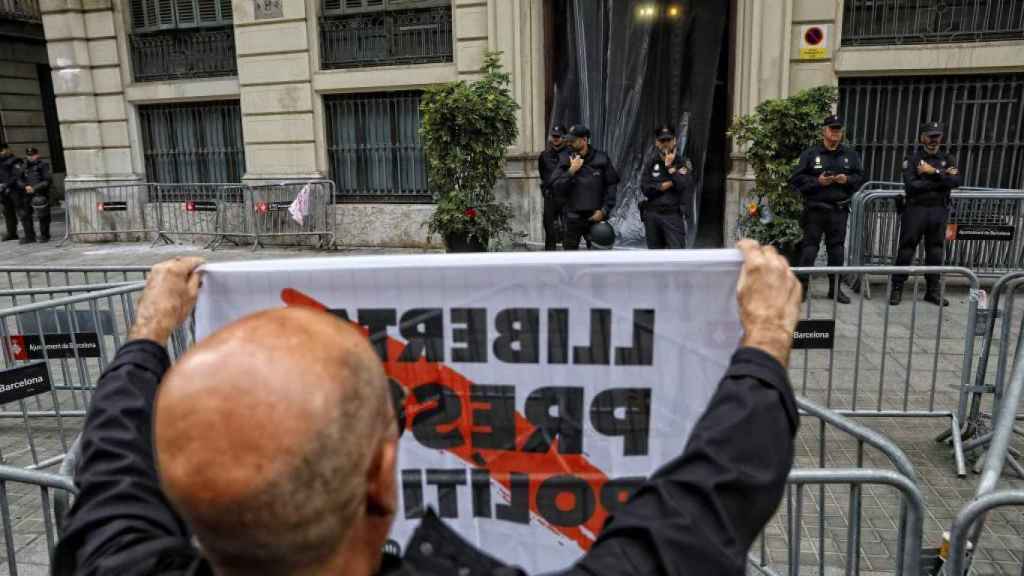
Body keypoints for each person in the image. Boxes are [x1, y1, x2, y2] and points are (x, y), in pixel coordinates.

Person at [55, 240, 801, 576]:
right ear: (385, 477)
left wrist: (150, 331)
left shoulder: (113, 560)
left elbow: (114, 467)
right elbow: (701, 510)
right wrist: (764, 338)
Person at [789, 115, 864, 304]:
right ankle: (802, 289)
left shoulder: (850, 155)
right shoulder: (811, 154)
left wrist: (846, 180)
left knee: (837, 251)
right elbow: (796, 180)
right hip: (815, 210)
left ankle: (835, 289)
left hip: (838, 211)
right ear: (824, 131)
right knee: (809, 250)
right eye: (832, 129)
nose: (835, 133)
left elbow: (860, 177)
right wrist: (817, 182)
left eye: (838, 129)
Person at [890, 122, 961, 307]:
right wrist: (941, 179)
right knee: (906, 249)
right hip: (916, 210)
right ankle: (897, 288)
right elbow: (911, 185)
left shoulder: (948, 158)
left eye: (937, 136)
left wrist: (933, 172)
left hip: (938, 210)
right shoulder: (912, 159)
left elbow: (956, 181)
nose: (933, 140)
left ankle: (932, 291)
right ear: (922, 137)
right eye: (930, 136)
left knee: (936, 251)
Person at [550, 124, 620, 251]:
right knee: (569, 258)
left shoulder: (601, 158)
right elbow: (556, 187)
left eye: (573, 140)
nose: (569, 143)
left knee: (598, 258)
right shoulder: (566, 159)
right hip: (572, 218)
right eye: (569, 140)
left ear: (584, 140)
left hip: (595, 217)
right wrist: (571, 171)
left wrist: (604, 210)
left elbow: (612, 185)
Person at [640, 125, 692, 249]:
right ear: (657, 143)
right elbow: (645, 188)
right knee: (655, 256)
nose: (666, 144)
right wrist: (666, 185)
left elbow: (683, 185)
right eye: (662, 141)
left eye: (668, 140)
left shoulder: (682, 162)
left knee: (676, 255)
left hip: (672, 215)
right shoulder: (651, 162)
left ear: (674, 141)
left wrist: (670, 167)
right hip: (652, 214)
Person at [538, 124, 567, 251]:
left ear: (564, 138)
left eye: (558, 137)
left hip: (567, 198)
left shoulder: (570, 154)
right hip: (550, 197)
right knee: (550, 232)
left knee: (568, 233)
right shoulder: (544, 156)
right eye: (554, 136)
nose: (556, 139)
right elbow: (542, 174)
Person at [18, 147, 51, 243]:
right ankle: (29, 236)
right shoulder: (24, 166)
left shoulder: (43, 165)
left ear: (37, 155)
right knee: (25, 215)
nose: (31, 157)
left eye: (32, 155)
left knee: (43, 215)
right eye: (29, 155)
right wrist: (25, 186)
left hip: (40, 193)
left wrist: (35, 188)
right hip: (26, 194)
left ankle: (45, 235)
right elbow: (19, 179)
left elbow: (47, 181)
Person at [0, 143, 23, 242]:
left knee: (22, 211)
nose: (2, 153)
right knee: (7, 213)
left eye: (2, 151)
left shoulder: (15, 161)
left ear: (7, 150)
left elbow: (17, 175)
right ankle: (11, 233)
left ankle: (29, 233)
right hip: (4, 191)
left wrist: (6, 184)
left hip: (15, 189)